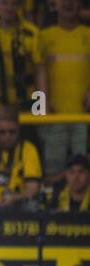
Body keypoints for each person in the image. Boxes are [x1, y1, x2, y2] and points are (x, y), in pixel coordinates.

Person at [38, 0, 90, 177]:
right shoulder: (42, 36)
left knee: (83, 173)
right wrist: (40, 111)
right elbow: (36, 76)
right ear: (54, 4)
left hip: (83, 118)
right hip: (53, 118)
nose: (68, 3)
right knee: (53, 173)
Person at [0, 0, 45, 110]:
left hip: (27, 102)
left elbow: (40, 71)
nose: (9, 8)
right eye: (5, 3)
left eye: (14, 3)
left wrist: (42, 106)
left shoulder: (32, 32)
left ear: (20, 6)